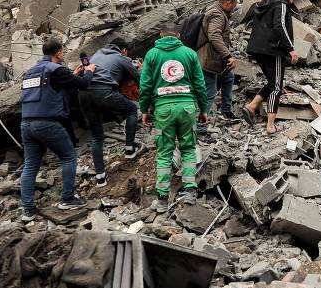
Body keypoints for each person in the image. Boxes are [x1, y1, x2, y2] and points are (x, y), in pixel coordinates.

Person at [19, 38, 96, 221]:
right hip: (47, 123)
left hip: (26, 124)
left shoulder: (30, 72)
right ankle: (67, 198)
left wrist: (73, 75)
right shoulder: (57, 70)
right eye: (62, 51)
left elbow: (50, 90)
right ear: (59, 53)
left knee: (30, 165)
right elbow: (84, 85)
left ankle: (28, 210)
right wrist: (89, 72)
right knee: (68, 156)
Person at [139, 22, 207, 213]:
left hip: (163, 110)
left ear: (161, 35)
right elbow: (200, 84)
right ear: (178, 35)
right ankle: (190, 192)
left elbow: (145, 85)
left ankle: (162, 200)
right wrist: (203, 109)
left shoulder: (152, 54)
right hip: (187, 108)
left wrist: (144, 109)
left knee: (164, 152)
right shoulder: (189, 53)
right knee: (188, 149)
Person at [78, 38, 141, 187]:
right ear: (124, 50)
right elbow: (139, 78)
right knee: (132, 110)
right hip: (103, 92)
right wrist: (140, 68)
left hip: (82, 94)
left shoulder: (96, 54)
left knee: (96, 134)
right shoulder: (121, 58)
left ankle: (100, 177)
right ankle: (129, 149)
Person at [243, 0, 301, 134]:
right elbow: (279, 26)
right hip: (273, 50)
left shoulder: (266, 2)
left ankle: (252, 106)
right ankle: (270, 125)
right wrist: (291, 49)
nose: (292, 0)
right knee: (277, 87)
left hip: (258, 49)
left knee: (271, 82)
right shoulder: (280, 4)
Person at [196, 0, 238, 134]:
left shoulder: (216, 11)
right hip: (209, 59)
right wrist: (228, 56)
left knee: (228, 77)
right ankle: (201, 127)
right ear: (228, 3)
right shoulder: (217, 15)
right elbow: (214, 36)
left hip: (215, 58)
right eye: (234, 5)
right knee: (210, 92)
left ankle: (226, 110)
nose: (234, 8)